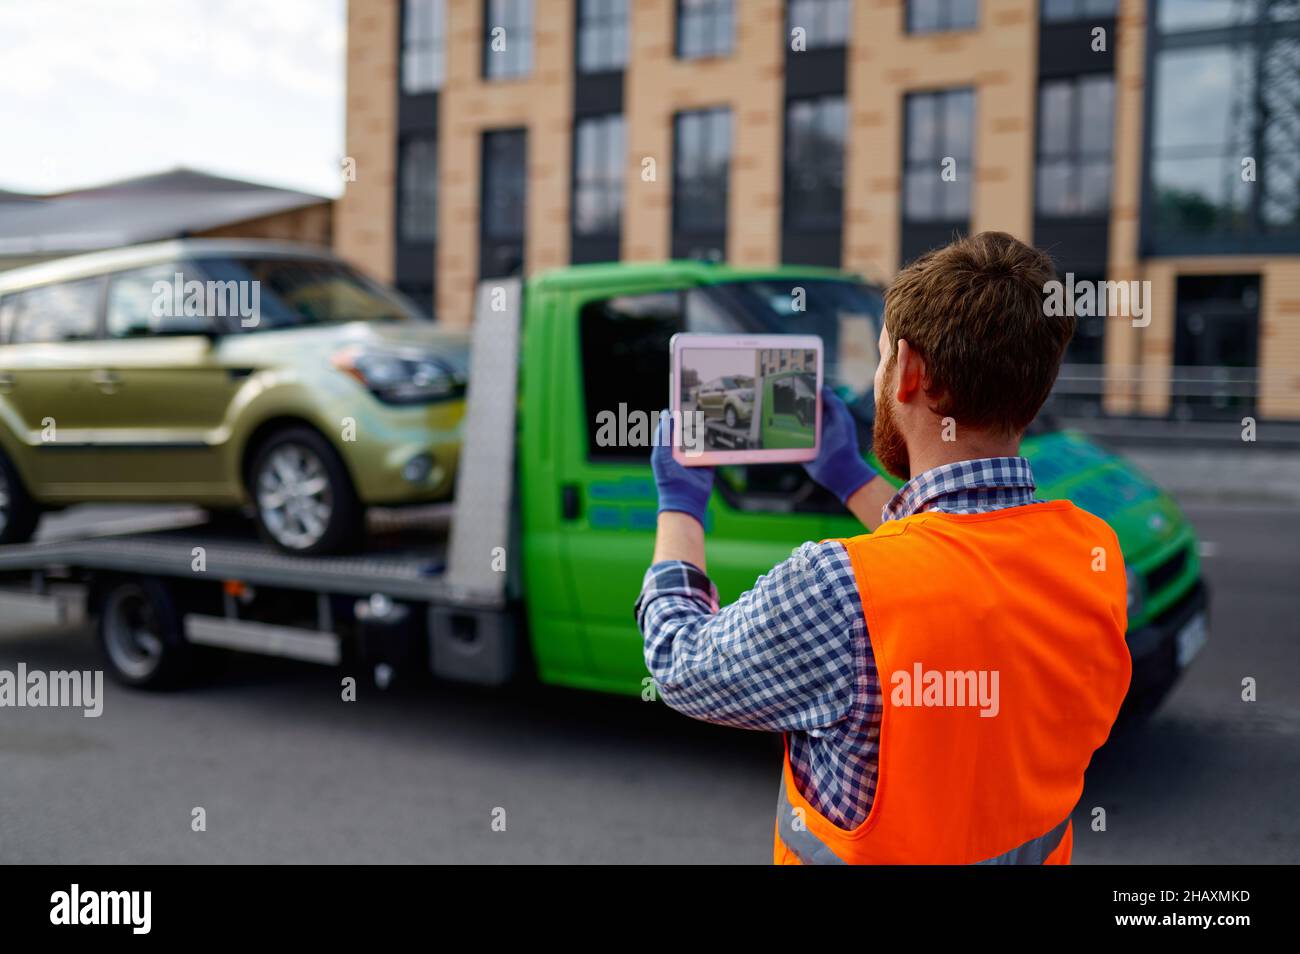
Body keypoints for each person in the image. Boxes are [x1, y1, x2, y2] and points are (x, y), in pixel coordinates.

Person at [635, 232, 1132, 865]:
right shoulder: (1093, 555)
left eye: (879, 360)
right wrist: (849, 478)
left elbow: (680, 664)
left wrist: (679, 502)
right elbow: (954, 568)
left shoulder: (834, 585)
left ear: (911, 371)